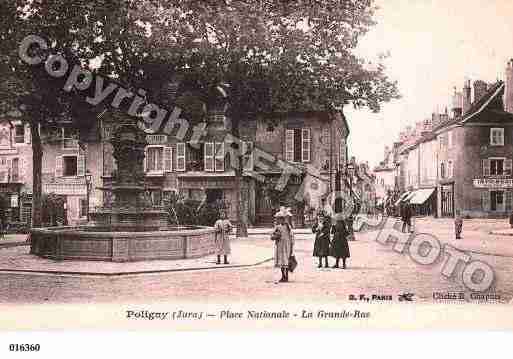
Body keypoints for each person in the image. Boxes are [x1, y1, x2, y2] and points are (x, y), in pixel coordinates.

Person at [271, 207, 295, 282]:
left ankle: (284, 276)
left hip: (282, 246)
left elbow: (274, 236)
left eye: (279, 218)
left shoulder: (281, 227)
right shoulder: (287, 227)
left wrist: (274, 236)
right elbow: (292, 237)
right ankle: (285, 276)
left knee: (282, 261)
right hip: (285, 246)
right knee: (285, 261)